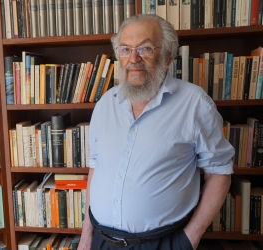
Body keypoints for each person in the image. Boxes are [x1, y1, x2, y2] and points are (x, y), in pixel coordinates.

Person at [78, 14, 235, 250]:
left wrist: (188, 239)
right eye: (125, 49)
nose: (133, 58)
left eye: (145, 48)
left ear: (168, 56)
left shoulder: (195, 104)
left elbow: (220, 172)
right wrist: (86, 237)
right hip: (100, 241)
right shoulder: (105, 104)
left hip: (164, 243)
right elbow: (96, 167)